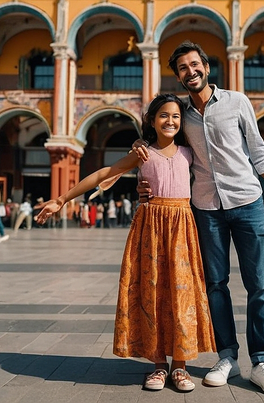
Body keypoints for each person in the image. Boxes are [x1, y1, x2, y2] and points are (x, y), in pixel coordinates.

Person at [134, 41, 264, 397]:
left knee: (258, 284)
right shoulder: (180, 113)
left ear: (207, 67)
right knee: (215, 284)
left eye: (194, 64)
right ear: (178, 75)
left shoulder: (237, 101)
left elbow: (259, 151)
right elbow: (164, 145)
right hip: (206, 208)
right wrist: (142, 161)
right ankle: (227, 356)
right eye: (183, 68)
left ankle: (262, 360)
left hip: (247, 201)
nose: (190, 71)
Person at [34, 94, 215, 392]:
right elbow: (105, 173)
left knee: (182, 294)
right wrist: (61, 199)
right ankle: (158, 366)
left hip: (182, 227)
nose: (170, 121)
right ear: (151, 120)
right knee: (152, 292)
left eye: (176, 116)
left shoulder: (190, 152)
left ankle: (180, 366)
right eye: (163, 115)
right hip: (150, 228)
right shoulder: (142, 153)